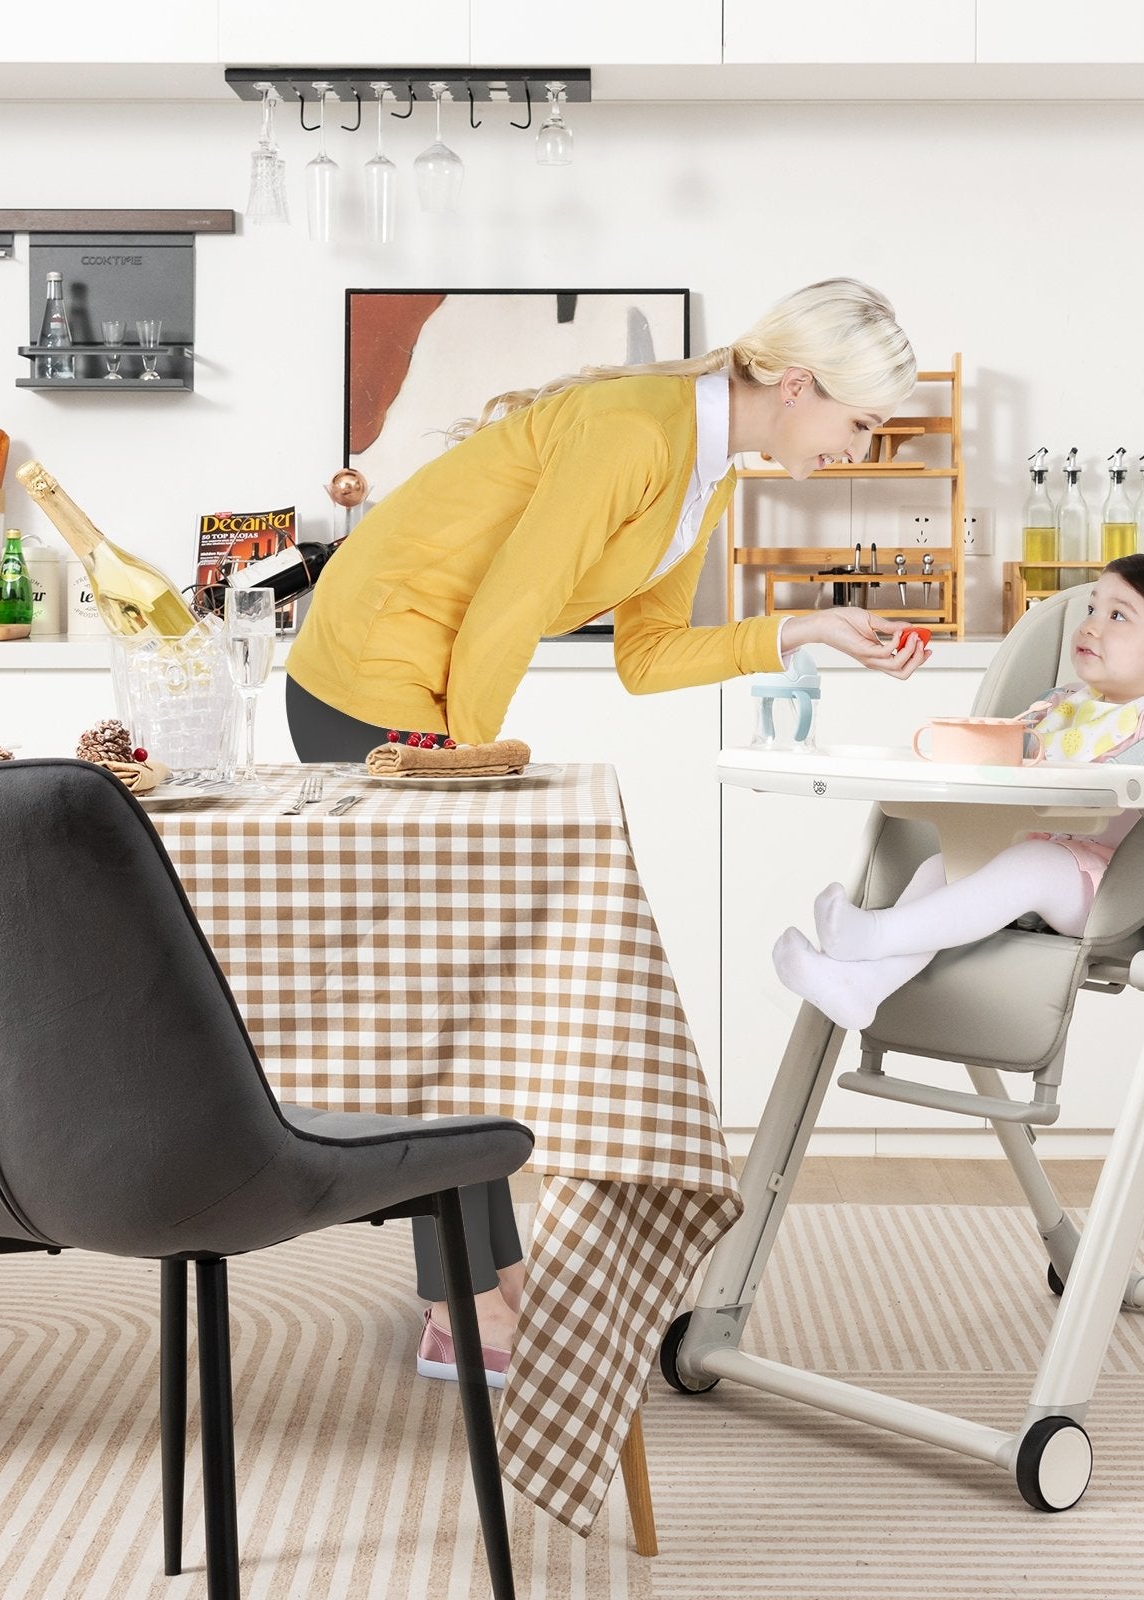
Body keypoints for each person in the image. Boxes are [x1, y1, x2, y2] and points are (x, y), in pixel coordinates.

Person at [283, 278, 929, 1386]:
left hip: (431, 692)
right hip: (373, 678)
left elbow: (646, 656)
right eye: (860, 421)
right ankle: (466, 1301)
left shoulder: (706, 470)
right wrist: (467, 781)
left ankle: (481, 1288)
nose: (861, 444)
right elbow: (503, 612)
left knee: (459, 992)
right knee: (456, 994)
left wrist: (806, 626)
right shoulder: (635, 428)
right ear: (798, 385)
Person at [773, 523, 1144, 1033]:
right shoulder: (1061, 705)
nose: (1091, 626)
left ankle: (873, 935)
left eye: (1117, 616)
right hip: (1023, 854)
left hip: (1106, 890)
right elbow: (1005, 755)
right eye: (1091, 610)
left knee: (1037, 863)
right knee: (944, 865)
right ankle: (860, 986)